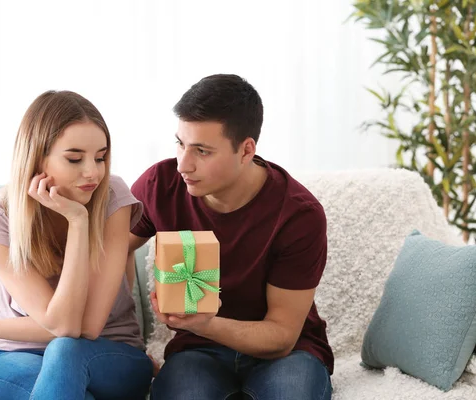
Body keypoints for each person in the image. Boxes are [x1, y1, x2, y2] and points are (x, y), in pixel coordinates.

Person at [128, 74, 334, 400]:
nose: (184, 164)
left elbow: (281, 335)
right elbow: (107, 252)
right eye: (180, 143)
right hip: (198, 351)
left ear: (246, 150)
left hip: (287, 353)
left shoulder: (298, 214)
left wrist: (203, 323)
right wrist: (127, 345)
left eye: (202, 151)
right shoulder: (161, 185)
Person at [0, 90, 153, 400]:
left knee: (65, 351)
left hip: (110, 353)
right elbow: (63, 323)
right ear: (37, 158)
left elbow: (83, 328)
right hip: (18, 356)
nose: (93, 172)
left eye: (100, 157)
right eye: (75, 158)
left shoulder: (112, 197)